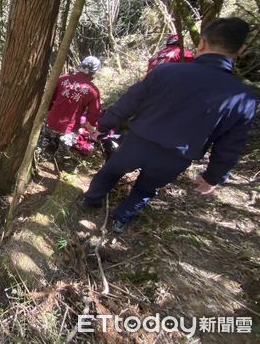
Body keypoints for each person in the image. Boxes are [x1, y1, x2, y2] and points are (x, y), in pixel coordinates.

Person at [78, 17, 257, 233]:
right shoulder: (244, 98)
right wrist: (213, 176)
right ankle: (121, 220)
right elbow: (230, 145)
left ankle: (91, 201)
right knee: (146, 188)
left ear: (201, 43)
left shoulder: (166, 72)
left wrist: (103, 125)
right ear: (241, 49)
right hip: (176, 157)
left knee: (111, 171)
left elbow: (129, 103)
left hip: (138, 142)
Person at [45, 56, 102, 154]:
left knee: (45, 147)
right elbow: (94, 114)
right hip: (69, 130)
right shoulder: (92, 90)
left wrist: (49, 112)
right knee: (65, 155)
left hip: (50, 123)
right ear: (94, 72)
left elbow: (50, 99)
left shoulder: (63, 79)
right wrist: (91, 128)